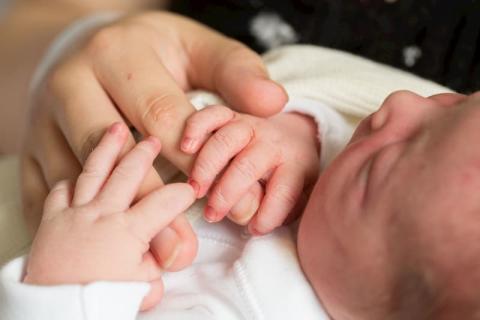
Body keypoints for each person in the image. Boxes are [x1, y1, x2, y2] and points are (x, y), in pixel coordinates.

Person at [2, 45, 477, 319]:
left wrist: (67, 288)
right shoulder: (337, 168)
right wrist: (294, 132)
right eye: (452, 105)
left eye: (376, 170)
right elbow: (332, 103)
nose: (400, 103)